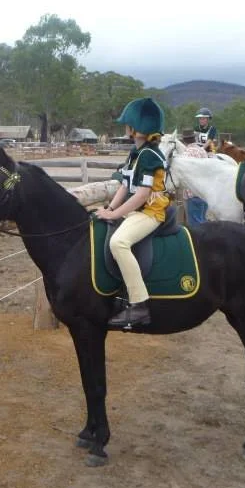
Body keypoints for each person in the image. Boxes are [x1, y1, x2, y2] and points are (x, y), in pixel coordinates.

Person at [97, 97, 171, 329]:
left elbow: (141, 194)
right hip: (136, 210)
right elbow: (124, 186)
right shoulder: (136, 152)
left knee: (119, 243)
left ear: (137, 128)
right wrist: (109, 209)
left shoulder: (150, 155)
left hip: (151, 212)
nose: (125, 127)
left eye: (127, 124)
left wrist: (115, 214)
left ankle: (139, 305)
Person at [181, 129, 210, 224]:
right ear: (194, 138)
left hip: (192, 194)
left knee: (195, 225)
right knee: (203, 220)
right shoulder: (202, 151)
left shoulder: (184, 154)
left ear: (184, 140)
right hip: (205, 193)